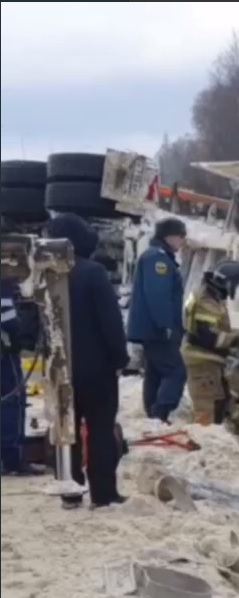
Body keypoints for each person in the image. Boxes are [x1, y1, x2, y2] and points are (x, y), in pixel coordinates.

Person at [50, 214, 130, 507]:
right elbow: (110, 322)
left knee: (65, 431)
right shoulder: (93, 272)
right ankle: (102, 492)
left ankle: (70, 491)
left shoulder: (48, 274)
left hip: (58, 368)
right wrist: (120, 357)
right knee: (99, 428)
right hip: (96, 369)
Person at [127, 217, 188, 422]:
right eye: (181, 236)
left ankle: (152, 413)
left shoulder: (157, 256)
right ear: (169, 236)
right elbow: (157, 294)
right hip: (157, 330)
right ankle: (160, 412)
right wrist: (165, 325)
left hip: (152, 329)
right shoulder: (158, 259)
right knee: (175, 372)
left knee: (155, 371)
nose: (183, 241)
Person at [181, 258, 239, 425]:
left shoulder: (212, 297)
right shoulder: (207, 301)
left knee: (219, 404)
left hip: (210, 364)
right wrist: (237, 340)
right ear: (227, 282)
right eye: (237, 283)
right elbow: (208, 336)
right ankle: (202, 444)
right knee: (205, 412)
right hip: (202, 362)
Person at [1, 279, 42, 476]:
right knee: (13, 401)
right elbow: (10, 321)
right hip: (4, 355)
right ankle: (13, 460)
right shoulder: (4, 286)